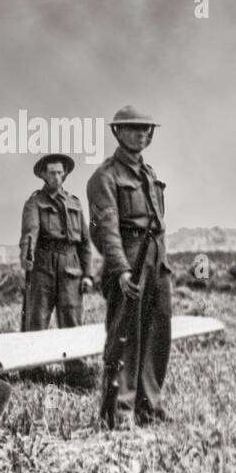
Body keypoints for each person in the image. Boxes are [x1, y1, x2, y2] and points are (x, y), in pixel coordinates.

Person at [86, 106, 171, 428]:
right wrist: (120, 270)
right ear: (117, 133)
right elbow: (105, 228)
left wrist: (160, 262)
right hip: (129, 258)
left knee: (157, 335)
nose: (142, 134)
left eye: (147, 129)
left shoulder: (148, 173)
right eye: (134, 128)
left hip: (155, 258)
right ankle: (119, 412)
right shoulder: (105, 177)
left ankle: (149, 407)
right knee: (125, 337)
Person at [19, 153, 94, 331]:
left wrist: (88, 275)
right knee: (36, 322)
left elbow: (85, 242)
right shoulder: (35, 202)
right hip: (43, 267)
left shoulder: (75, 203)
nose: (57, 177)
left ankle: (75, 360)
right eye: (52, 173)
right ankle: (36, 359)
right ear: (43, 175)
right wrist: (26, 260)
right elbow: (30, 235)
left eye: (60, 173)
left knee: (72, 323)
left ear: (65, 174)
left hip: (71, 267)